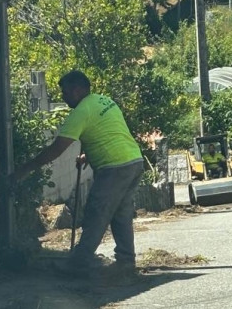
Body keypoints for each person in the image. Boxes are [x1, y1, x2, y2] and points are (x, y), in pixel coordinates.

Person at [15, 70, 144, 276]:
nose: (64, 97)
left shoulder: (81, 111)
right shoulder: (104, 101)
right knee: (121, 214)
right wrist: (87, 155)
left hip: (114, 167)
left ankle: (80, 261)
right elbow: (107, 132)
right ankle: (126, 261)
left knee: (96, 212)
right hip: (134, 161)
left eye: (65, 92)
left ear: (77, 90)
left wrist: (26, 168)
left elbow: (57, 149)